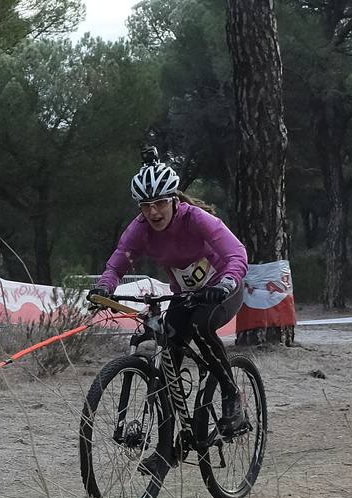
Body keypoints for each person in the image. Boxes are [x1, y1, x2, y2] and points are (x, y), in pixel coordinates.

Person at [94, 147, 251, 434]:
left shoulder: (196, 219)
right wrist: (104, 288)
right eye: (145, 205)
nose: (153, 212)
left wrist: (226, 283)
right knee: (168, 358)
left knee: (201, 326)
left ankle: (231, 395)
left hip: (223, 290)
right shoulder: (139, 229)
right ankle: (169, 446)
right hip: (185, 296)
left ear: (173, 200)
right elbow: (116, 266)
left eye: (160, 203)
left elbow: (237, 254)